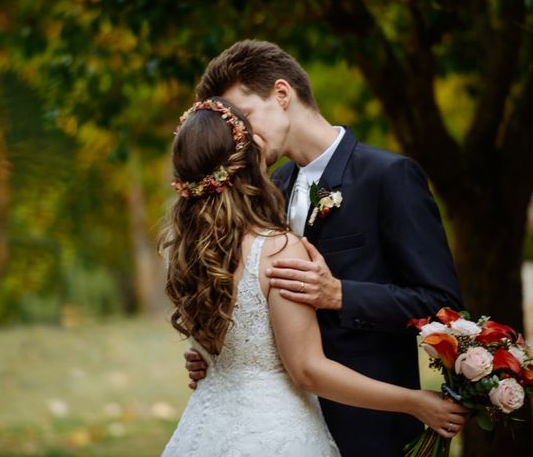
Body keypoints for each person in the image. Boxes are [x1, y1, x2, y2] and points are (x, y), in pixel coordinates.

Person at [184, 40, 465, 456]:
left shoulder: (388, 177)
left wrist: (342, 295)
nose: (238, 133)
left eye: (243, 116)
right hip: (284, 424)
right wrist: (220, 354)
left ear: (282, 94)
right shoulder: (266, 190)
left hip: (371, 424)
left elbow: (442, 305)